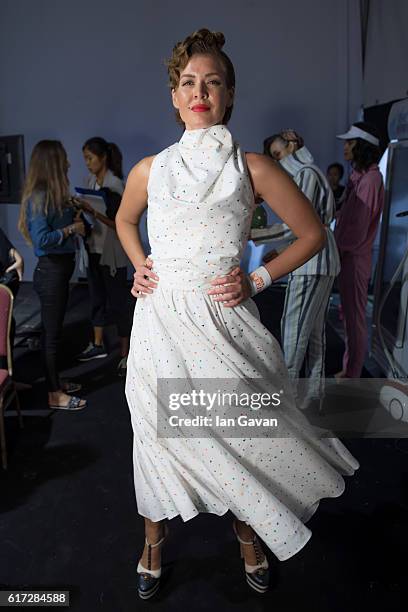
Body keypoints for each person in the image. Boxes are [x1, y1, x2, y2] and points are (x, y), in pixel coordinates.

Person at [116, 29, 359, 599]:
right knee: (154, 436)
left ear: (228, 95)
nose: (199, 92)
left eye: (212, 82)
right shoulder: (149, 170)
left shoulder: (253, 167)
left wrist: (258, 277)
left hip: (226, 327)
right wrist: (140, 265)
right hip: (159, 325)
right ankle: (153, 539)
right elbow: (126, 223)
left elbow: (313, 234)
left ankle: (250, 534)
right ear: (174, 97)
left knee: (241, 435)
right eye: (188, 83)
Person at [261, 129, 340, 408]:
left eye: (278, 155)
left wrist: (254, 234)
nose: (278, 162)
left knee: (294, 331)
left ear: (292, 145)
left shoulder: (305, 174)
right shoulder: (313, 171)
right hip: (324, 260)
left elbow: (296, 226)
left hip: (311, 262)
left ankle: (289, 403)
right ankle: (313, 396)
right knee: (315, 332)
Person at [18, 140, 87, 410]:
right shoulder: (38, 197)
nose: (68, 163)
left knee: (52, 333)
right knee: (51, 336)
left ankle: (54, 382)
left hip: (58, 272)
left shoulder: (51, 195)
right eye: (64, 159)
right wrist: (71, 229)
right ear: (53, 163)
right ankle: (54, 394)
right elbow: (41, 242)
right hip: (50, 274)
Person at [76, 137, 133, 378]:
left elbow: (120, 223)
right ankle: (98, 344)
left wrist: (93, 213)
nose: (87, 163)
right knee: (96, 297)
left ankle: (126, 353)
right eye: (85, 159)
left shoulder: (117, 185)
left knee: (119, 302)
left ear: (103, 158)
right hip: (93, 248)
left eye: (90, 158)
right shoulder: (90, 181)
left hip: (112, 253)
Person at [334, 122, 384, 378]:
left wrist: (336, 252)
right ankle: (349, 369)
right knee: (349, 317)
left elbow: (357, 230)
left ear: (362, 146)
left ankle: (352, 373)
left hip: (353, 260)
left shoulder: (371, 180)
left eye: (350, 143)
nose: (345, 147)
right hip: (348, 257)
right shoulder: (360, 178)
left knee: (354, 320)